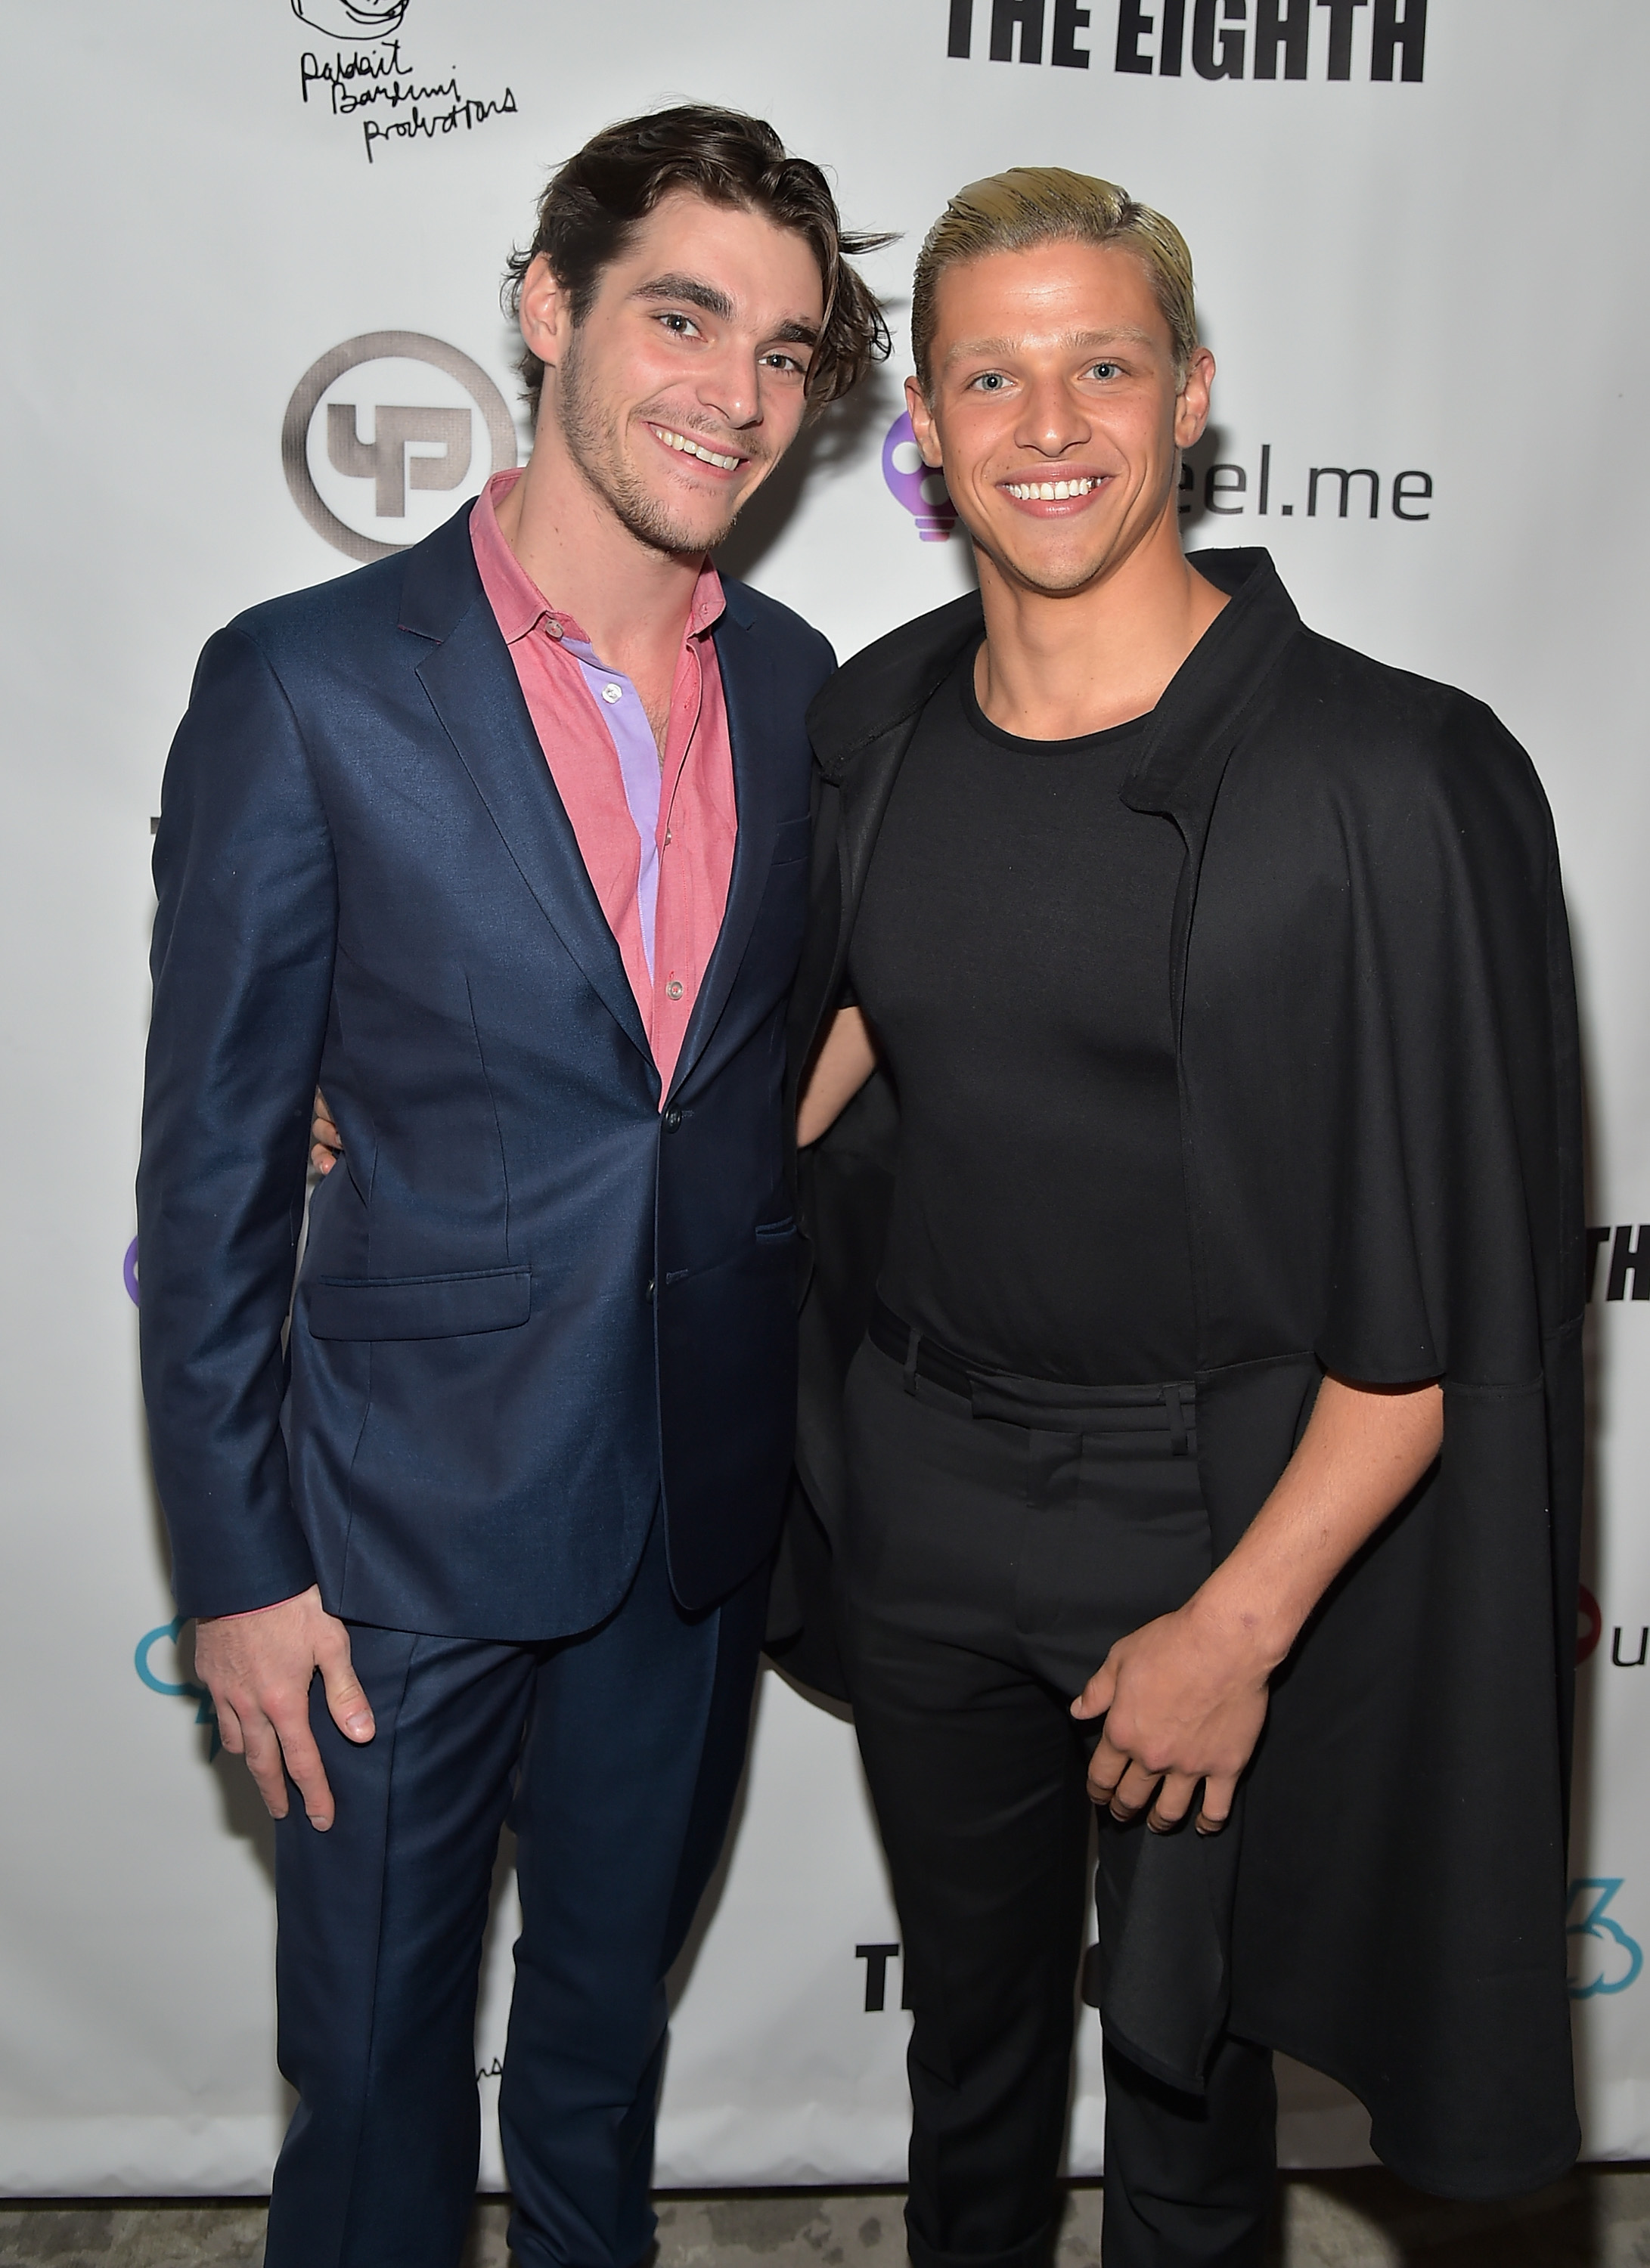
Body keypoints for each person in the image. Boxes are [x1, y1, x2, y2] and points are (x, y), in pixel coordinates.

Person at [778, 169, 1583, 2268]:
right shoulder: (867, 729)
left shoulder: (1392, 779)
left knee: (1184, 2089)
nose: (1051, 421)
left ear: (1193, 395)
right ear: (928, 434)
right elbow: (794, 1072)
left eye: (1102, 363)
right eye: (993, 374)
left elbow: (1455, 1328)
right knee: (971, 2067)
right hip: (930, 1501)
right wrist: (427, 1130)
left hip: (1226, 1517)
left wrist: (1235, 1627)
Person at [138, 105, 888, 2268]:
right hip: (388, 1536)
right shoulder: (301, 683)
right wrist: (238, 1566)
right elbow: (208, 1174)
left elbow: (737, 1075)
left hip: (690, 1505)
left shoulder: (798, 685)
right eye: (680, 314)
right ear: (548, 311)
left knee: (598, 2052)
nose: (731, 392)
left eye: (782, 350)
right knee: (369, 2074)